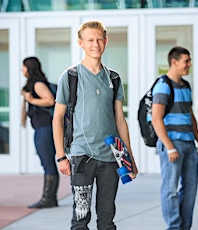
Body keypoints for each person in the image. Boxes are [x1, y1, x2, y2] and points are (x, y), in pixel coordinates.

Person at [52, 19, 138, 229]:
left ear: (106, 41)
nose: (95, 44)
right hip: (81, 157)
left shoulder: (114, 78)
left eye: (99, 39)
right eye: (90, 40)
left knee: (107, 218)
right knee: (81, 218)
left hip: (111, 156)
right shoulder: (70, 76)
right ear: (81, 43)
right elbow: (57, 118)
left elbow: (120, 119)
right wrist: (61, 156)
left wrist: (129, 158)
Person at [151, 46, 198, 230]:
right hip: (172, 144)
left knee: (190, 191)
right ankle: (174, 227)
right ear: (174, 62)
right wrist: (169, 146)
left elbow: (191, 117)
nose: (189, 65)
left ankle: (184, 227)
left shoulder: (185, 85)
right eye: (186, 61)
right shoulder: (163, 85)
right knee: (170, 189)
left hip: (189, 144)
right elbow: (156, 119)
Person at [21, 56, 59, 209]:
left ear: (29, 68)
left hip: (45, 128)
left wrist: (31, 99)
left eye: (23, 66)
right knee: (47, 161)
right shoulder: (35, 84)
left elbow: (50, 100)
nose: (21, 69)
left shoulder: (38, 84)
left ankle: (48, 198)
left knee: (48, 162)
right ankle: (50, 198)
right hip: (42, 127)